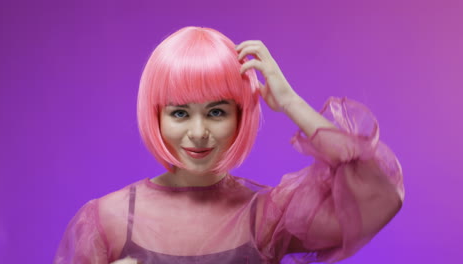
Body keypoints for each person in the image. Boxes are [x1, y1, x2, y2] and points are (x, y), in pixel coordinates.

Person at [54, 26, 404, 264]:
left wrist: (290, 102)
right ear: (156, 116)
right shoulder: (108, 220)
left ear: (240, 115)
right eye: (179, 113)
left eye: (217, 112)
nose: (199, 132)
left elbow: (380, 194)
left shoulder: (266, 217)